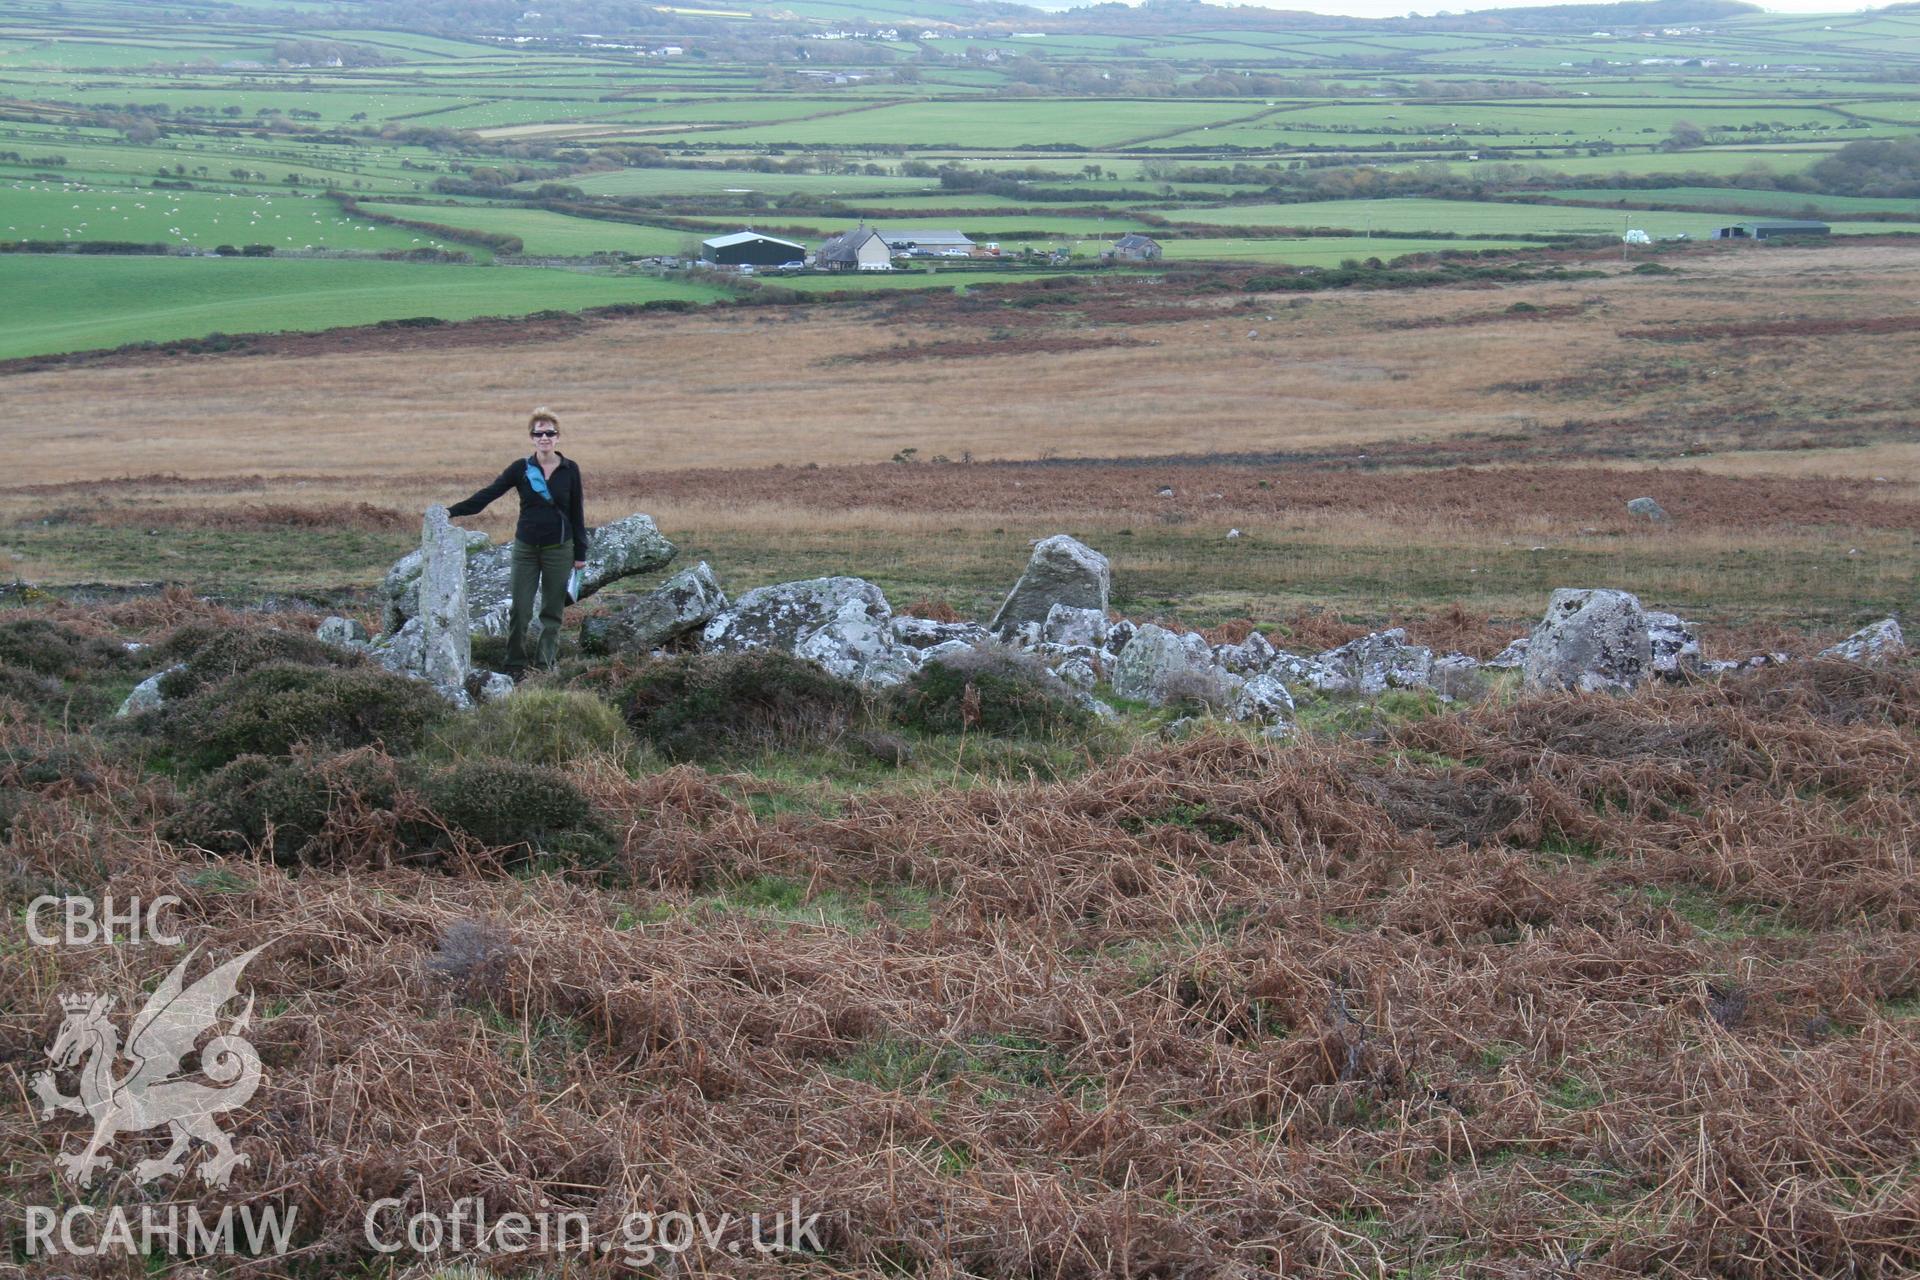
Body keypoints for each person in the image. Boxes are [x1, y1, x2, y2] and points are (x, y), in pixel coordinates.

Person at [448, 408, 588, 679]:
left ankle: (545, 665)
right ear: (531, 438)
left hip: (560, 549)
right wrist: (452, 511)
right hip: (525, 549)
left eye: (549, 432)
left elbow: (576, 513)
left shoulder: (570, 470)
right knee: (520, 609)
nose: (544, 437)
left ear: (558, 437)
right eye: (538, 433)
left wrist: (580, 554)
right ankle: (514, 665)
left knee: (552, 611)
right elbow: (489, 494)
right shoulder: (520, 469)